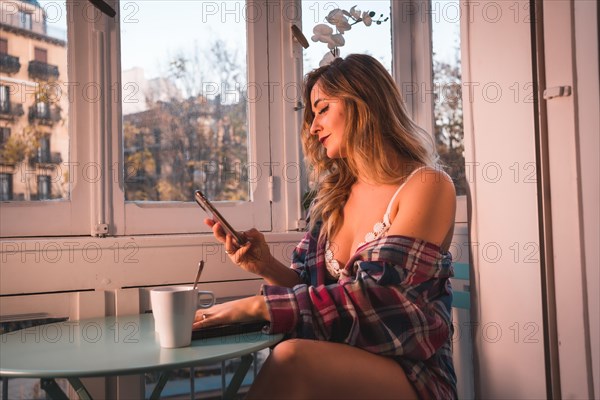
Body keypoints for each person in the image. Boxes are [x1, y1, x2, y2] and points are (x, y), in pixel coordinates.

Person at [193, 54, 457, 399]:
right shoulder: (335, 197)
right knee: (291, 356)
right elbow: (309, 289)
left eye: (322, 109)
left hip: (411, 372)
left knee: (291, 358)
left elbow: (377, 301)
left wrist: (258, 306)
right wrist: (265, 266)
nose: (313, 126)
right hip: (335, 357)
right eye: (311, 115)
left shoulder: (426, 186)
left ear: (363, 102)